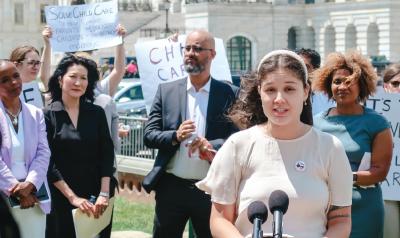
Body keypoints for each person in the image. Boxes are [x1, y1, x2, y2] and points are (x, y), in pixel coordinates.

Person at [196, 50, 353, 238]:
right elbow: (220, 219)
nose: (279, 99)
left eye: (289, 89)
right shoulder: (237, 146)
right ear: (259, 92)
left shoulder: (330, 148)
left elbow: (341, 219)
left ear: (305, 92)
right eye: (270, 90)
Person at [143, 29, 239, 238]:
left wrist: (211, 145)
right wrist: (175, 136)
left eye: (197, 48)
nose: (190, 53)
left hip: (210, 188)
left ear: (212, 54)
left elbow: (238, 139)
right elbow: (149, 135)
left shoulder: (229, 94)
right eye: (187, 48)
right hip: (171, 187)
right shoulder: (166, 91)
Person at [312, 51, 393, 238]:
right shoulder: (315, 124)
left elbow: (379, 172)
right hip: (323, 209)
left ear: (362, 85)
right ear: (328, 85)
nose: (342, 86)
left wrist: (346, 176)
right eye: (337, 81)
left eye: (349, 81)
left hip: (364, 210)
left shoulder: (377, 123)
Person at [44, 55, 115, 237]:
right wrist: (72, 197)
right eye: (73, 76)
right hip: (62, 196)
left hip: (98, 197)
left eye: (83, 78)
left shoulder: (96, 113)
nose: (78, 82)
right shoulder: (48, 115)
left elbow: (106, 153)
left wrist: (104, 193)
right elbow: (48, 162)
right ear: (60, 80)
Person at [0, 60, 51, 238]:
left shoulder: (36, 113)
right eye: (5, 80)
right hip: (4, 201)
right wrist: (16, 189)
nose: (13, 82)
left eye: (15, 76)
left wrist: (30, 185)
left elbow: (43, 152)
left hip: (34, 198)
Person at [9, 26, 52, 108]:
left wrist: (47, 44)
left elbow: (44, 77)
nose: (36, 67)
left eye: (38, 63)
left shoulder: (38, 92)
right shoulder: (5, 92)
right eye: (31, 63)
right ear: (16, 65)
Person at [381, 64, 400, 238]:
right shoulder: (375, 113)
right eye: (396, 83)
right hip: (390, 190)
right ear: (386, 87)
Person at [295, 48, 336, 115]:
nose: (299, 70)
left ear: (316, 70)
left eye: (305, 67)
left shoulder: (327, 98)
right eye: (296, 66)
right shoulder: (285, 95)